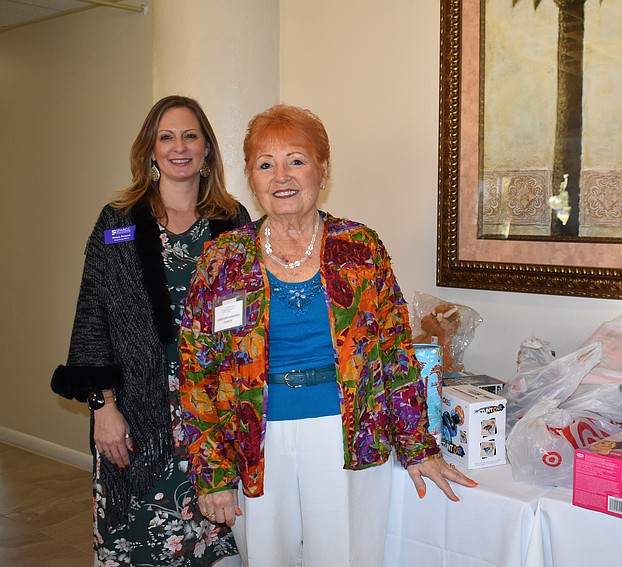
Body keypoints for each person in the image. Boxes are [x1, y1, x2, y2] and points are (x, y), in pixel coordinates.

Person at [178, 103, 477, 566]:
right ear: (251, 177)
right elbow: (198, 371)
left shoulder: (360, 247)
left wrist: (418, 446)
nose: (282, 176)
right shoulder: (223, 259)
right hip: (255, 438)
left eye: (296, 160)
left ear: (323, 169)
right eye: (265, 164)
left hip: (350, 434)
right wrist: (213, 473)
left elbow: (394, 354)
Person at [51, 95, 251, 566]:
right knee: (137, 544)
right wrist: (103, 407)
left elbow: (250, 319)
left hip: (212, 416)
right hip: (136, 414)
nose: (178, 147)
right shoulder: (118, 222)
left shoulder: (233, 222)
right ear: (150, 150)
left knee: (212, 544)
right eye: (166, 137)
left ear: (207, 148)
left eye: (190, 136)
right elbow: (94, 316)